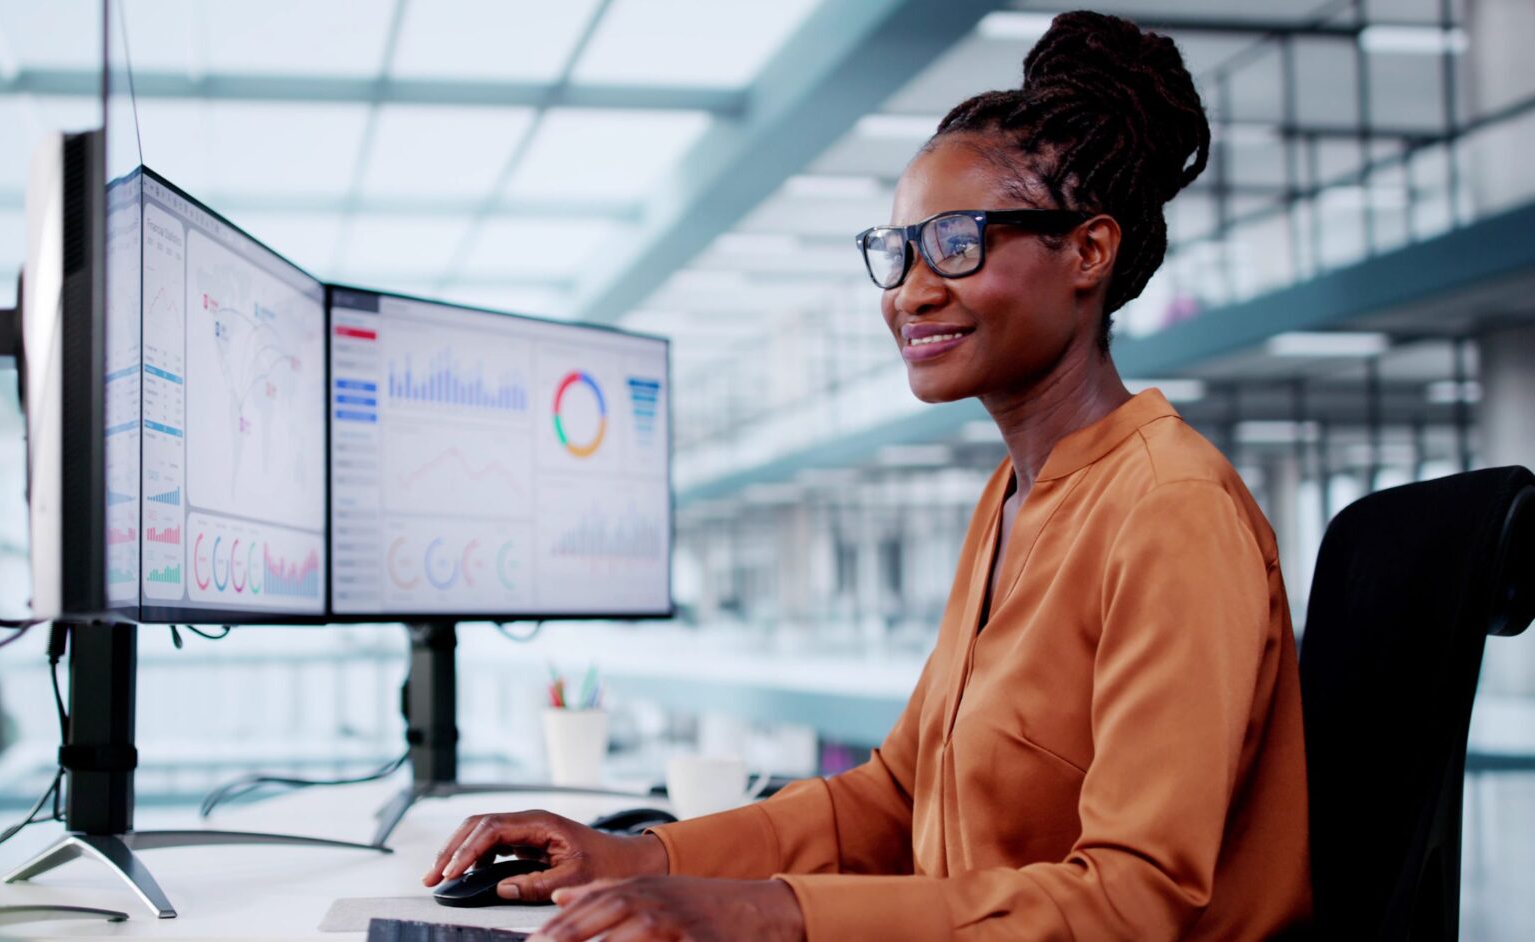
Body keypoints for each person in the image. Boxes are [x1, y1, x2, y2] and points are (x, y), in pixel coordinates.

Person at [422, 11, 1314, 940]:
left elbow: (1136, 904)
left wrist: (774, 914)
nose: (912, 291)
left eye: (960, 242)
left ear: (1088, 251)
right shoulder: (1014, 498)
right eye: (898, 252)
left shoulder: (1169, 509)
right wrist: (642, 856)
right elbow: (892, 795)